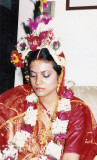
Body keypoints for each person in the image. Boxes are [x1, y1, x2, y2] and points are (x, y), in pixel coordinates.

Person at [0, 0, 97, 159]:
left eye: (46, 75)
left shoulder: (76, 110)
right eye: (33, 75)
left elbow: (70, 157)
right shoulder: (18, 102)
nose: (38, 81)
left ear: (60, 75)